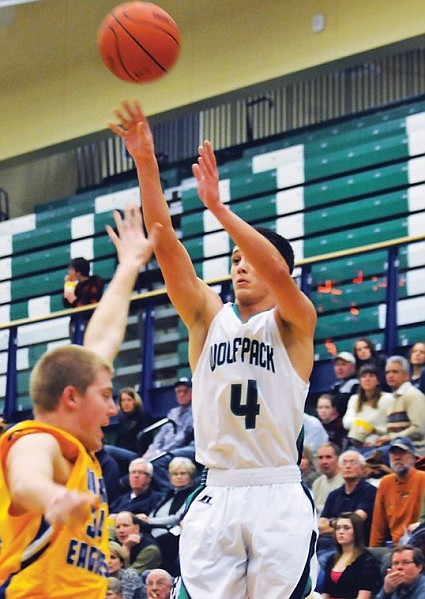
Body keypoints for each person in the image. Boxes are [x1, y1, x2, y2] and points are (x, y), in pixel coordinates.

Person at [109, 99, 318, 598]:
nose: (239, 265)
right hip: (217, 487)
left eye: (248, 257)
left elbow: (278, 273)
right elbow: (168, 248)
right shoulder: (208, 318)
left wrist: (220, 210)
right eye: (233, 258)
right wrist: (145, 164)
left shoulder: (294, 323)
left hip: (278, 490)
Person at [0, 206, 158, 598]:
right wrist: (53, 497)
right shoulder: (40, 440)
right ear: (70, 397)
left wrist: (129, 266)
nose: (111, 408)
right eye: (105, 396)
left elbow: (101, 343)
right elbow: (25, 480)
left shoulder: (78, 453)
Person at [139, 457, 198, 576]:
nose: (179, 477)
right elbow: (154, 512)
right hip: (153, 534)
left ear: (190, 476)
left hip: (171, 537)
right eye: (175, 474)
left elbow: (177, 518)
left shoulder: (192, 495)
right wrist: (145, 519)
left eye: (183, 473)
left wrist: (149, 521)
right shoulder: (168, 494)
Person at [319, 449, 377, 564]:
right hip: (330, 543)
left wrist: (331, 524)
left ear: (362, 469)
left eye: (352, 462)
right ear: (339, 468)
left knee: (322, 560)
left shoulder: (370, 492)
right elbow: (321, 526)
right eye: (344, 463)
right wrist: (342, 527)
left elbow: (355, 521)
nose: (348, 466)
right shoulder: (334, 495)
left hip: (356, 546)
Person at [369, 437, 425, 547]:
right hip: (395, 548)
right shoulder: (386, 482)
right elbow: (378, 526)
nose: (397, 457)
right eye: (393, 453)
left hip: (420, 545)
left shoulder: (423, 479)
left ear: (413, 457)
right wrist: (373, 552)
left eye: (402, 453)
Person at [142, 377, 195, 492]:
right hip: (164, 449)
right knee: (142, 464)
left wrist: (159, 453)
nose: (182, 395)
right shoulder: (173, 412)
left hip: (185, 448)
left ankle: (170, 491)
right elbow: (160, 436)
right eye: (179, 392)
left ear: (192, 392)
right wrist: (151, 451)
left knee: (156, 461)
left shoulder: (195, 410)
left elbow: (181, 439)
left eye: (185, 391)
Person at [322, 511, 382, 599]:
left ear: (357, 531)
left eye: (346, 528)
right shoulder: (331, 559)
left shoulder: (366, 560)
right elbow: (326, 593)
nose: (341, 532)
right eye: (338, 528)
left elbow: (364, 595)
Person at [375, 356, 425, 455]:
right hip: (394, 446)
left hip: (414, 450)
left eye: (395, 372)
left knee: (368, 459)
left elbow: (419, 429)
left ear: (406, 375)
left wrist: (391, 438)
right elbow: (392, 430)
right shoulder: (391, 399)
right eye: (387, 372)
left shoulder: (413, 395)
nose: (390, 375)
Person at [343, 365, 393, 449]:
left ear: (377, 380)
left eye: (371, 376)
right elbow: (347, 422)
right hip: (357, 443)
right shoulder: (354, 399)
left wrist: (373, 430)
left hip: (381, 442)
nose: (367, 379)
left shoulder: (387, 398)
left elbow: (390, 427)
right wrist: (365, 427)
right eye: (363, 376)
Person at [63, 256, 104, 340]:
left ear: (78, 272)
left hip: (91, 321)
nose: (69, 273)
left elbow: (86, 303)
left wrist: (74, 299)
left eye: (71, 270)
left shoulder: (95, 281)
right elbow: (67, 303)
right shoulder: (76, 287)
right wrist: (68, 286)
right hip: (77, 323)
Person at [312, 442, 343, 517]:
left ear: (338, 459)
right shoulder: (317, 482)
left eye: (328, 457)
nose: (324, 462)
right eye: (320, 458)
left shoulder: (345, 482)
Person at [329, 352, 359, 418]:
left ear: (353, 367)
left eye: (343, 364)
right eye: (337, 365)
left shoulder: (357, 386)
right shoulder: (335, 387)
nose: (339, 368)